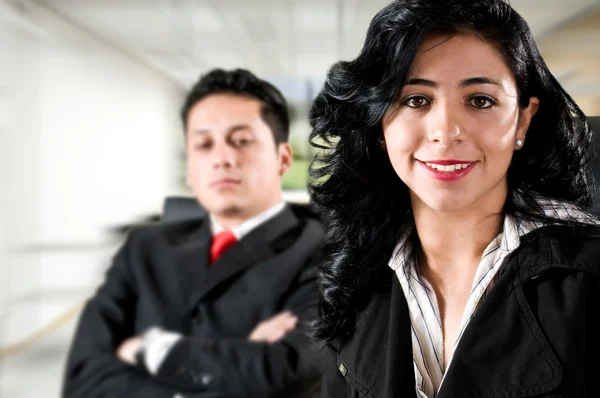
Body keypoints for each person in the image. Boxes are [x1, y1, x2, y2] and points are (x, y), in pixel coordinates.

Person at [308, 0, 600, 396]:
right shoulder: (351, 279)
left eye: (480, 100)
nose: (445, 132)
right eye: (416, 100)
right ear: (379, 123)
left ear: (523, 119)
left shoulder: (589, 275)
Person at [62, 69, 323, 398]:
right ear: (190, 169)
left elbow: (289, 372)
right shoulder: (142, 249)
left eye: (241, 141)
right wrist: (234, 367)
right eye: (203, 144)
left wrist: (149, 349)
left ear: (282, 158)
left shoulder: (325, 250)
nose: (222, 158)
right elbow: (84, 380)